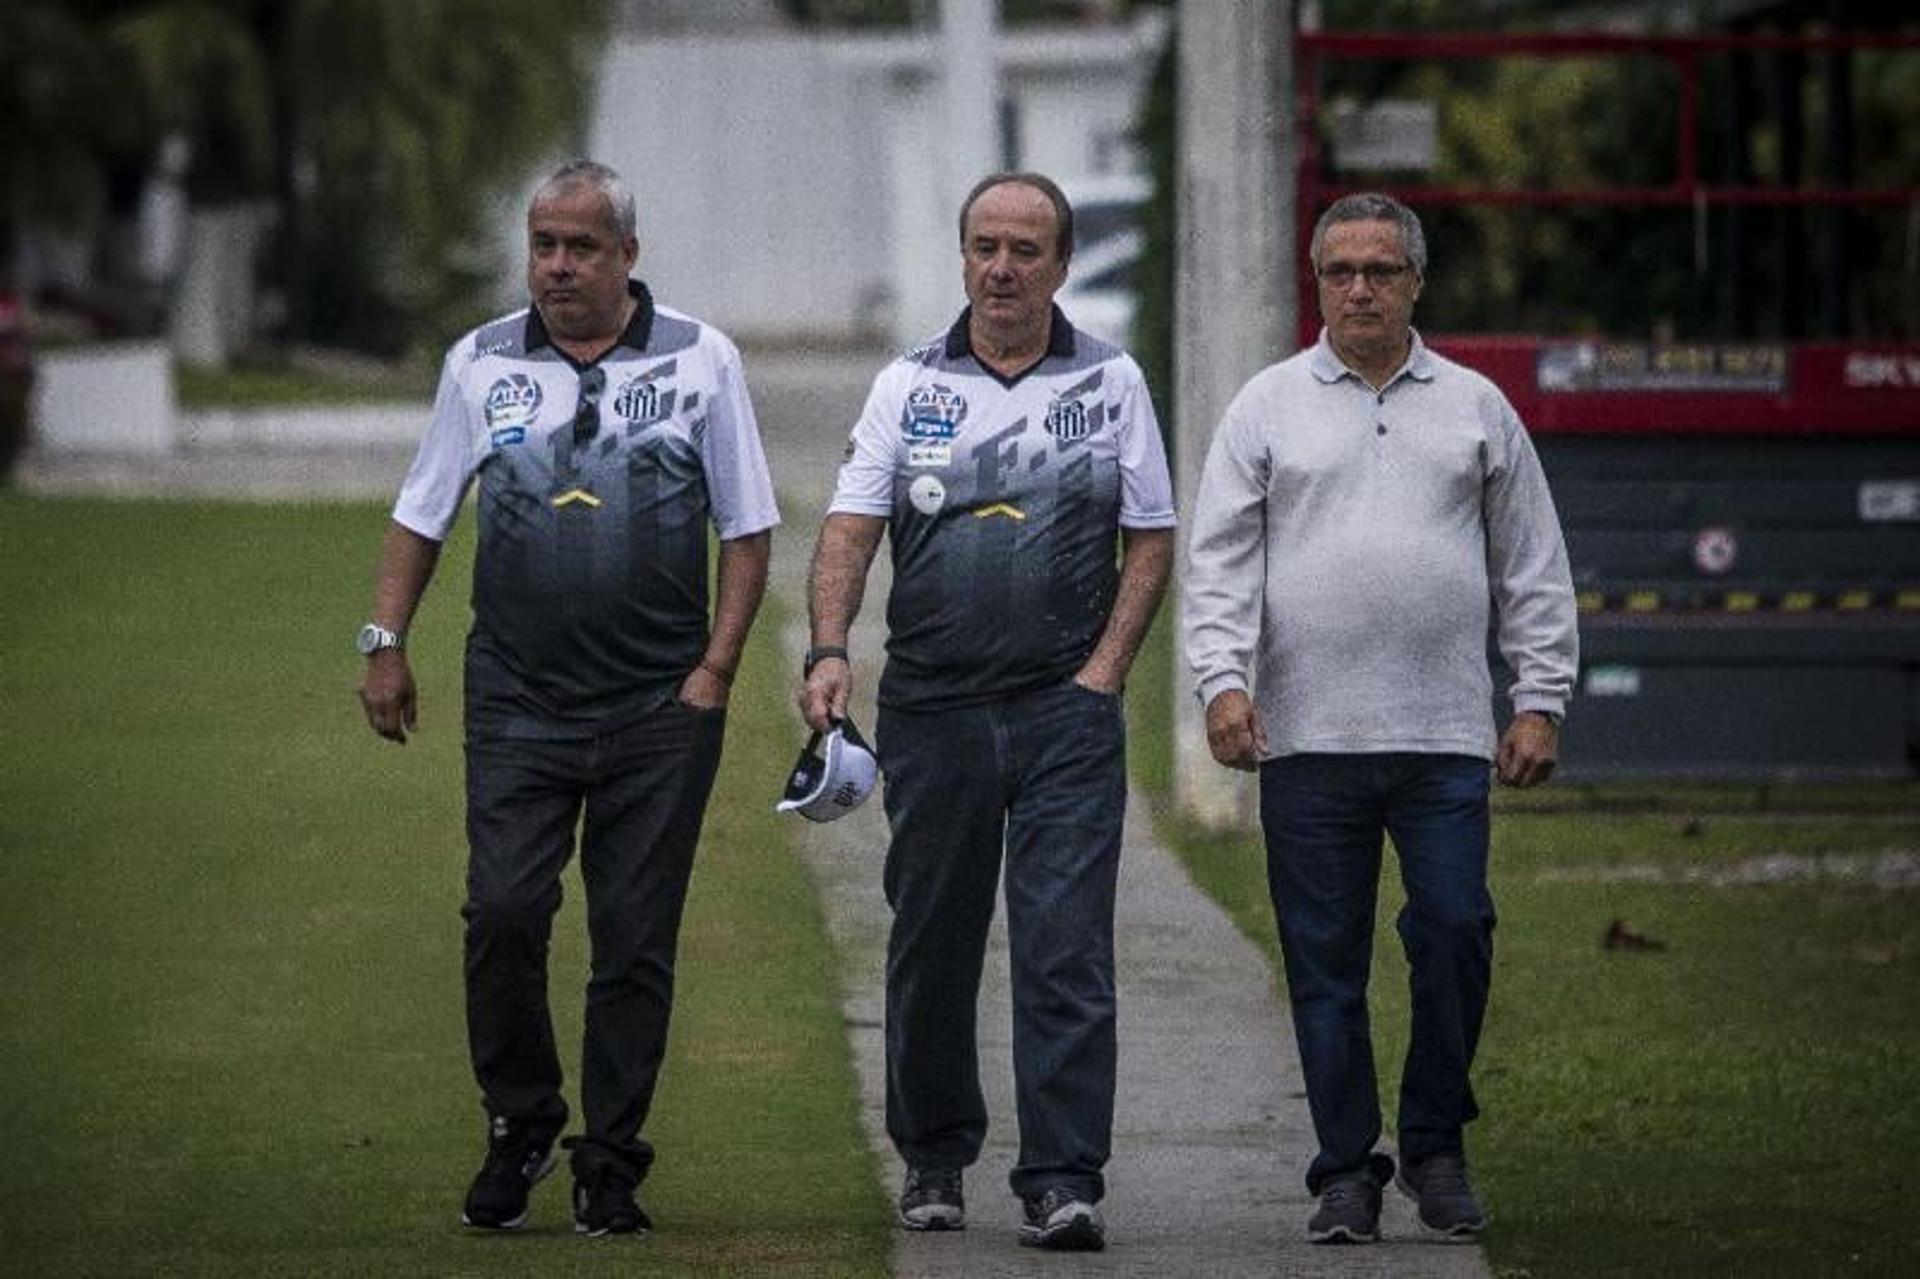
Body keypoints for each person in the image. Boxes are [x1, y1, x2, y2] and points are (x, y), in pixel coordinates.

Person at [355, 159, 777, 1238]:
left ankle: (611, 1160)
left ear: (627, 255)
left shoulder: (701, 361)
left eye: (581, 246)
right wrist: (385, 641)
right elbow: (423, 512)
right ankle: (521, 1121)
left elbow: (746, 527)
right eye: (543, 243)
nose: (557, 265)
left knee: (634, 937)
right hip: (518, 698)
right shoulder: (481, 362)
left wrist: (714, 672)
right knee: (502, 911)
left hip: (658, 705)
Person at [1182, 192, 1577, 1244]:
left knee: (1454, 930)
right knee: (1325, 964)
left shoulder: (1477, 407)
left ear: (1415, 282)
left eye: (1382, 269)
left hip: (1444, 736)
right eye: (1341, 270)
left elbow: (1532, 563)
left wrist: (1540, 696)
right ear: (1317, 283)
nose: (1361, 287)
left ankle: (1437, 1146)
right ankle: (1346, 1171)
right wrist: (1221, 683)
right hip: (1307, 740)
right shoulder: (1266, 406)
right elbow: (1219, 563)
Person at [799, 172, 1175, 1252]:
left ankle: (1062, 1178)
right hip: (934, 707)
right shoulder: (904, 386)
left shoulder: (1109, 382)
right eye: (984, 247)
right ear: (963, 257)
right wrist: (831, 650)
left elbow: (1150, 537)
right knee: (934, 938)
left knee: (1063, 947)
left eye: (1025, 249)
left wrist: (1106, 669)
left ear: (1059, 265)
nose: (1002, 268)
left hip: (1066, 712)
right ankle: (932, 1155)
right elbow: (846, 532)